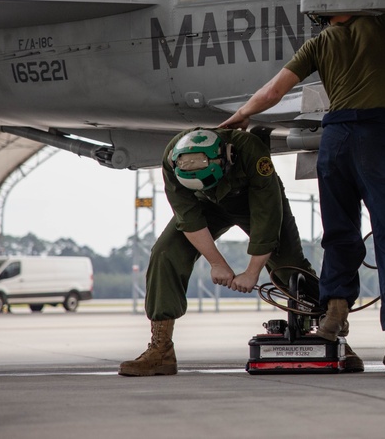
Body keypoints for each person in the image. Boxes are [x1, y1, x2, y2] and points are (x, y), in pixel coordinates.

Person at [219, 13, 385, 374]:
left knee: (340, 235)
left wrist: (242, 115)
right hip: (376, 139)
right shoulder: (383, 24)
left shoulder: (319, 43)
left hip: (335, 142)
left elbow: (273, 92)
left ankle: (334, 316)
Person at [118, 127, 354, 376]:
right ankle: (161, 350)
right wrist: (217, 263)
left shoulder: (251, 151)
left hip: (253, 198)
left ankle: (334, 339)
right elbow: (188, 218)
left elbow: (267, 219)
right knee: (165, 253)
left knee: (290, 266)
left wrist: (252, 272)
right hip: (205, 202)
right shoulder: (172, 159)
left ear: (225, 158)